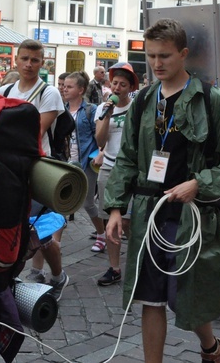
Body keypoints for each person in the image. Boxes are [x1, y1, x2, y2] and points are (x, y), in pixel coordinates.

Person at [104, 18, 220, 363]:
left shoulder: (211, 101)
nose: (157, 64)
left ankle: (209, 345)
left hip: (191, 215)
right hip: (148, 213)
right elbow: (126, 157)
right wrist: (114, 208)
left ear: (183, 54)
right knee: (150, 297)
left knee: (189, 294)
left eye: (165, 56)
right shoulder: (142, 100)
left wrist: (200, 182)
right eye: (151, 56)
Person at [0, 39, 69, 298]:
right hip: (8, 170)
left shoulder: (48, 93)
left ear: (42, 63)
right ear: (16, 60)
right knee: (17, 226)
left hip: (37, 170)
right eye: (25, 59)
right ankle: (11, 280)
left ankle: (58, 276)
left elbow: (34, 133)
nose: (29, 64)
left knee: (36, 229)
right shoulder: (5, 91)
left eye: (35, 60)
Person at [92, 62, 139, 286]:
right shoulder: (102, 109)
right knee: (109, 220)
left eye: (123, 84)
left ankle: (137, 265)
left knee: (128, 222)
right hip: (109, 167)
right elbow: (100, 141)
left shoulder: (137, 107)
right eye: (114, 83)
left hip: (131, 169)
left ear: (130, 88)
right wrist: (108, 114)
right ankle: (114, 268)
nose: (117, 88)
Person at [62, 71, 103, 252]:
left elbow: (100, 136)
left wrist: (100, 153)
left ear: (81, 90)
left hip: (86, 162)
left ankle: (101, 234)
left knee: (87, 203)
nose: (64, 89)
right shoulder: (60, 109)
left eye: (69, 87)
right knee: (61, 202)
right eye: (64, 86)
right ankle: (54, 241)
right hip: (65, 162)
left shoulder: (90, 110)